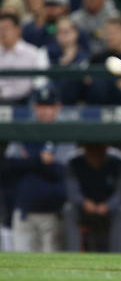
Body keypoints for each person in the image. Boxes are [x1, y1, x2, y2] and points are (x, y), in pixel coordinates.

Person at [0, 85, 73, 252]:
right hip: (23, 212)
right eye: (41, 106)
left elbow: (61, 172)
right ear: (34, 107)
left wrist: (29, 162)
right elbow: (8, 168)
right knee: (22, 267)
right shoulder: (23, 132)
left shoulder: (66, 133)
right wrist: (40, 160)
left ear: (58, 107)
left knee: (52, 268)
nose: (45, 111)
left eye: (49, 106)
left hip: (54, 213)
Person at [64, 144, 121, 252]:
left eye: (99, 150)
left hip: (109, 208)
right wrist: (83, 202)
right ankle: (73, 253)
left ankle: (117, 255)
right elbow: (72, 190)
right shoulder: (73, 160)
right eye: (92, 150)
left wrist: (109, 205)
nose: (95, 154)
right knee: (68, 209)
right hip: (84, 208)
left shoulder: (119, 160)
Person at [0, 13, 49, 104]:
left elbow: (40, 83)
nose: (2, 33)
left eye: (6, 28)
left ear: (18, 29)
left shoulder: (33, 53)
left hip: (23, 102)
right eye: (0, 29)